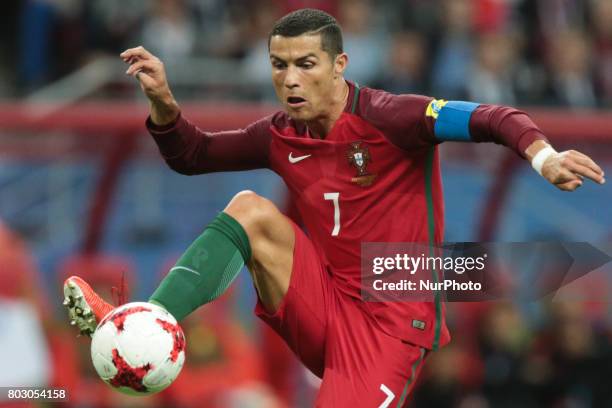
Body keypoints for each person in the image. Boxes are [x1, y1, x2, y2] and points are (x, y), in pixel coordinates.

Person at [62, 8, 605, 407]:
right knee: (250, 210)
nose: (290, 79)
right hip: (325, 300)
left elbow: (492, 116)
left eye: (306, 64)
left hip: (391, 323)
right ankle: (144, 323)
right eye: (279, 65)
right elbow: (193, 154)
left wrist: (543, 156)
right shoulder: (278, 135)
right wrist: (163, 101)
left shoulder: (394, 118)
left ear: (340, 64)